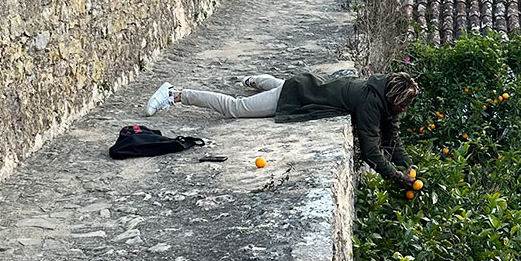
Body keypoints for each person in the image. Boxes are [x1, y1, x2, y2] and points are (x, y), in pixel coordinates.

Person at [144, 71, 420, 186]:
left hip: (303, 85)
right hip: (295, 96)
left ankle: (256, 80)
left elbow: (391, 135)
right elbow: (372, 149)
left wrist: (406, 165)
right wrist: (397, 176)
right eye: (403, 104)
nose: (404, 110)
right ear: (393, 97)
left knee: (280, 85)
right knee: (236, 109)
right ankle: (176, 94)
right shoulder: (371, 102)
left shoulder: (382, 92)